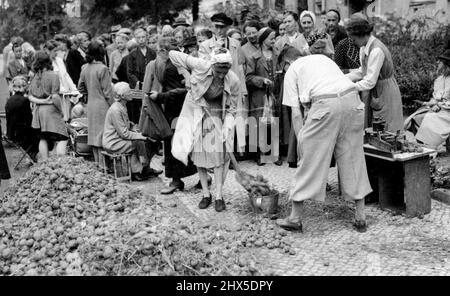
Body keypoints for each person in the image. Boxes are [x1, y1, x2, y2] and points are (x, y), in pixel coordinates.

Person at [277, 41, 372, 233]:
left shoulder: (292, 70)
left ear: (286, 62)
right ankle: (360, 215)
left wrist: (302, 142)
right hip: (353, 100)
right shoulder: (322, 59)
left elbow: (295, 114)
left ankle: (295, 218)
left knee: (310, 159)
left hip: (326, 104)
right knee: (353, 157)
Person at [169, 48, 240, 212]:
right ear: (212, 64)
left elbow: (232, 109)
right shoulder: (200, 65)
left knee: (217, 156)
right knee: (199, 154)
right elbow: (173, 55)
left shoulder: (234, 80)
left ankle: (219, 196)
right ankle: (206, 194)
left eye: (225, 71)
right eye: (218, 71)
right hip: (197, 112)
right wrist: (186, 75)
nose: (222, 75)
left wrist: (227, 127)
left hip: (217, 115)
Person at [148, 39, 198, 194]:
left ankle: (176, 181)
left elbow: (179, 91)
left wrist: (160, 96)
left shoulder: (171, 66)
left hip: (175, 112)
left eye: (159, 51)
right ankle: (202, 176)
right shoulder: (182, 62)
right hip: (186, 110)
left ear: (164, 51)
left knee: (173, 146)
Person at [199, 12, 247, 155]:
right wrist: (215, 50)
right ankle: (216, 153)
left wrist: (243, 90)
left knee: (232, 119)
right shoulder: (205, 46)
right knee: (216, 121)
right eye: (216, 27)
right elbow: (204, 67)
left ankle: (230, 153)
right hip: (215, 89)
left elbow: (239, 68)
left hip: (232, 88)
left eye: (222, 27)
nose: (219, 30)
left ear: (227, 27)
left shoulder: (235, 44)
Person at [345, 13, 403, 132]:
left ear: (361, 35)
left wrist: (348, 87)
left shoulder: (376, 50)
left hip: (384, 91)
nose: (352, 41)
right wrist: (343, 78)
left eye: (353, 38)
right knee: (374, 128)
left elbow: (370, 81)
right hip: (375, 89)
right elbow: (363, 71)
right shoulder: (364, 48)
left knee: (386, 127)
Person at [103, 82, 155, 181]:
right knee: (140, 142)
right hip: (113, 142)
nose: (131, 93)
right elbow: (124, 134)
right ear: (122, 96)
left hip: (118, 139)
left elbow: (124, 124)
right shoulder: (116, 110)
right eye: (129, 91)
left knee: (145, 142)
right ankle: (140, 170)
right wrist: (141, 135)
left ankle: (141, 169)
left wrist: (132, 127)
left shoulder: (122, 106)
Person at [245, 27, 281, 166]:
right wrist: (261, 80)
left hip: (274, 95)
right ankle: (259, 154)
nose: (274, 40)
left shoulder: (277, 55)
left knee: (274, 123)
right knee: (258, 124)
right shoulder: (254, 57)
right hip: (260, 96)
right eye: (271, 38)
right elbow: (248, 78)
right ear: (263, 40)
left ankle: (274, 154)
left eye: (274, 38)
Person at [78, 41, 114, 167]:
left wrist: (89, 93)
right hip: (102, 105)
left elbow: (80, 87)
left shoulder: (84, 68)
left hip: (91, 105)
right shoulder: (103, 69)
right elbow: (108, 92)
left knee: (93, 136)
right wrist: (114, 105)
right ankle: (105, 165)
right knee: (103, 135)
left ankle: (98, 164)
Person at [28, 51, 69, 160]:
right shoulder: (53, 75)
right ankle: (61, 161)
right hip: (51, 110)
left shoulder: (35, 76)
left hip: (39, 111)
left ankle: (45, 162)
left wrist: (42, 102)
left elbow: (30, 97)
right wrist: (62, 111)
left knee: (43, 137)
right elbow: (55, 97)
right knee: (62, 137)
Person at [407, 49, 450, 148]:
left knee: (429, 118)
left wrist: (439, 105)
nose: (437, 62)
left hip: (447, 112)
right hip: (438, 109)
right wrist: (428, 103)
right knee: (414, 118)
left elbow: (445, 101)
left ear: (446, 63)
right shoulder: (439, 79)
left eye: (440, 61)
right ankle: (422, 145)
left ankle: (429, 147)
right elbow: (435, 98)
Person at [5, 76, 39, 162]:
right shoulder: (24, 100)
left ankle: (31, 154)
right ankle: (33, 154)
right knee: (41, 133)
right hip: (22, 134)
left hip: (12, 133)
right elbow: (29, 120)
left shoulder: (9, 100)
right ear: (23, 87)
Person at [126, 28, 156, 124]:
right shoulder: (132, 54)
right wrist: (138, 82)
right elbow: (129, 72)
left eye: (143, 37)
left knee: (151, 106)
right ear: (136, 39)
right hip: (138, 86)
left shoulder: (152, 52)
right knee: (138, 108)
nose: (141, 40)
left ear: (147, 38)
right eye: (139, 38)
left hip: (151, 84)